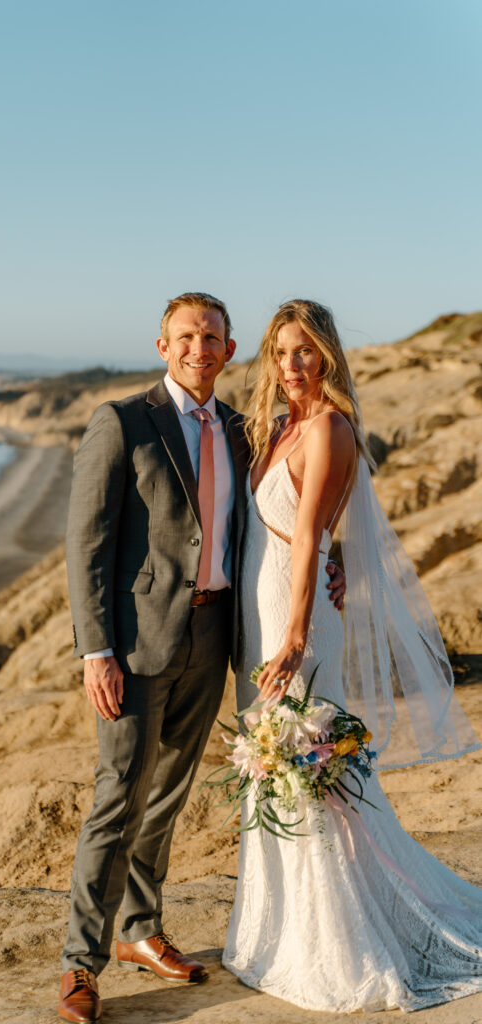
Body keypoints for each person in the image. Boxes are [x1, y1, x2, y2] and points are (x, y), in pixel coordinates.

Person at [57, 292, 346, 1023]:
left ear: (227, 348)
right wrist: (96, 650)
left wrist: (332, 560)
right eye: (186, 336)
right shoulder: (121, 422)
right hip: (137, 644)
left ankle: (140, 929)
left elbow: (286, 518)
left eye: (212, 337)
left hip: (217, 636)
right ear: (162, 346)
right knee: (118, 797)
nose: (199, 348)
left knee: (168, 795)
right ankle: (79, 964)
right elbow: (86, 544)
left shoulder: (243, 431)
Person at [223, 298, 482, 1013]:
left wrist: (298, 635)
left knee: (308, 771)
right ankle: (276, 932)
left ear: (327, 355)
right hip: (258, 610)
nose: (291, 366)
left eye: (303, 351)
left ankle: (336, 940)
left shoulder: (329, 428)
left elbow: (310, 537)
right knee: (275, 772)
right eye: (279, 353)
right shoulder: (278, 426)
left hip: (290, 618)